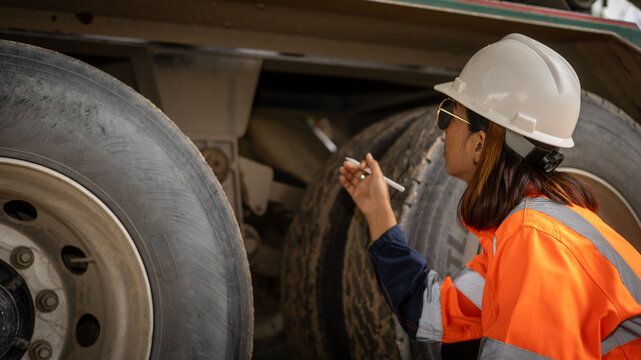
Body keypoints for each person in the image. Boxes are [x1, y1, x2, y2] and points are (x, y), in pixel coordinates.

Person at [339, 33, 641, 359]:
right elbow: (433, 313)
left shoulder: (535, 242)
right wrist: (377, 211)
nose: (442, 128)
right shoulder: (523, 235)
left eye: (449, 114)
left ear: (480, 143)